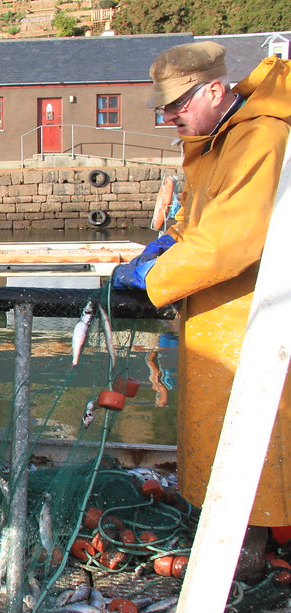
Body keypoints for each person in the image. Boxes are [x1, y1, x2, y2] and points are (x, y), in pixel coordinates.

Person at [113, 42, 290, 578]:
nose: (168, 117)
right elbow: (195, 224)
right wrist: (163, 245)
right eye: (164, 108)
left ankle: (250, 556)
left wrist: (155, 277)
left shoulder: (262, 135)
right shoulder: (212, 141)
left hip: (256, 318)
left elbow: (229, 242)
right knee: (217, 430)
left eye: (177, 106)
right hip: (215, 316)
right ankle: (229, 536)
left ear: (215, 90)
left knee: (258, 435)